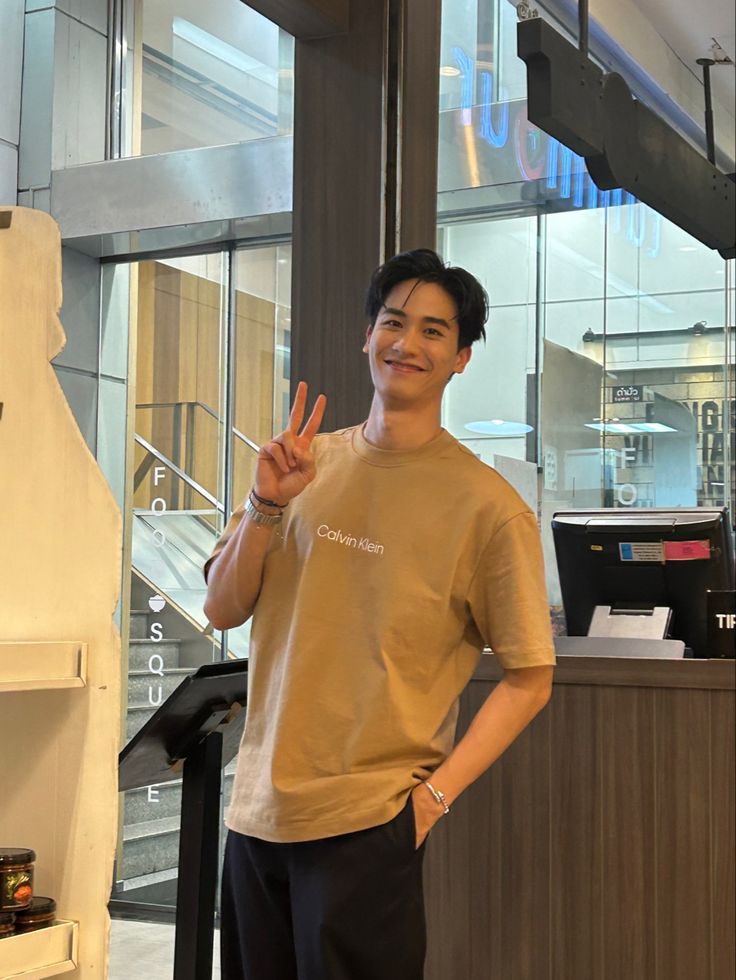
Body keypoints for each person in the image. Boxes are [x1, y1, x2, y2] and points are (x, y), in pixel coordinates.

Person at [203, 248, 555, 980]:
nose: (407, 343)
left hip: (369, 824)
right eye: (394, 322)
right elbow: (223, 607)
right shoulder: (301, 467)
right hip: (255, 814)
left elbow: (530, 676)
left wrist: (431, 800)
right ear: (367, 336)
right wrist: (266, 505)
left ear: (460, 358)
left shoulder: (488, 508)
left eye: (434, 331)